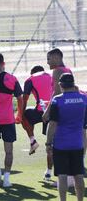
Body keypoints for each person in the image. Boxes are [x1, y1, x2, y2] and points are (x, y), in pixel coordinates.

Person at [0, 53, 23, 187]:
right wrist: (19, 114)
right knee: (9, 150)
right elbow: (20, 98)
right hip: (8, 120)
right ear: (4, 63)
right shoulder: (12, 79)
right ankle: (6, 178)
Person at [46, 73, 86, 201]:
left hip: (61, 144)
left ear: (61, 85)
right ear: (73, 84)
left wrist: (48, 143)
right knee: (78, 175)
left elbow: (52, 124)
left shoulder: (57, 100)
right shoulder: (84, 99)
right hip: (78, 143)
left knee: (62, 176)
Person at [42, 48, 74, 184]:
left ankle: (64, 178)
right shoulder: (68, 70)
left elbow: (55, 93)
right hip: (70, 110)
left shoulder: (57, 71)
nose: (47, 62)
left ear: (56, 58)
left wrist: (47, 111)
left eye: (49, 58)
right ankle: (70, 177)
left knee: (57, 144)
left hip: (60, 110)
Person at [21, 66, 52, 164]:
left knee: (25, 113)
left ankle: (32, 141)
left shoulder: (30, 79)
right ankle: (49, 171)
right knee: (53, 142)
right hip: (54, 110)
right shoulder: (52, 76)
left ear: (32, 73)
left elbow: (24, 100)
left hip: (41, 111)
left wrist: (20, 115)